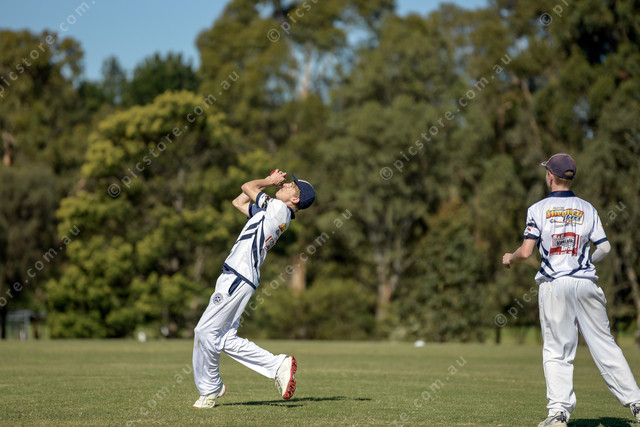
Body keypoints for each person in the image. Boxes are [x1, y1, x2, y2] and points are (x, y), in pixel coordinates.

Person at [502, 153, 640, 427]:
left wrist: (510, 257)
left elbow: (527, 251)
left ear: (550, 176)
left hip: (555, 286)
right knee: (606, 345)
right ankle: (637, 403)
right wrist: (586, 262)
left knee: (557, 350)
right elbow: (605, 247)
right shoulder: (588, 208)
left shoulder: (537, 209)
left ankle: (558, 414)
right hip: (586, 283)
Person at [192, 169, 316, 408]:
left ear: (295, 199)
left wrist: (268, 182)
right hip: (238, 276)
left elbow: (247, 187)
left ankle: (210, 389)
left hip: (238, 276)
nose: (286, 184)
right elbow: (239, 202)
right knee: (224, 338)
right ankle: (277, 365)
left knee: (204, 331)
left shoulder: (279, 209)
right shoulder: (272, 212)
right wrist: (267, 185)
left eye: (291, 186)